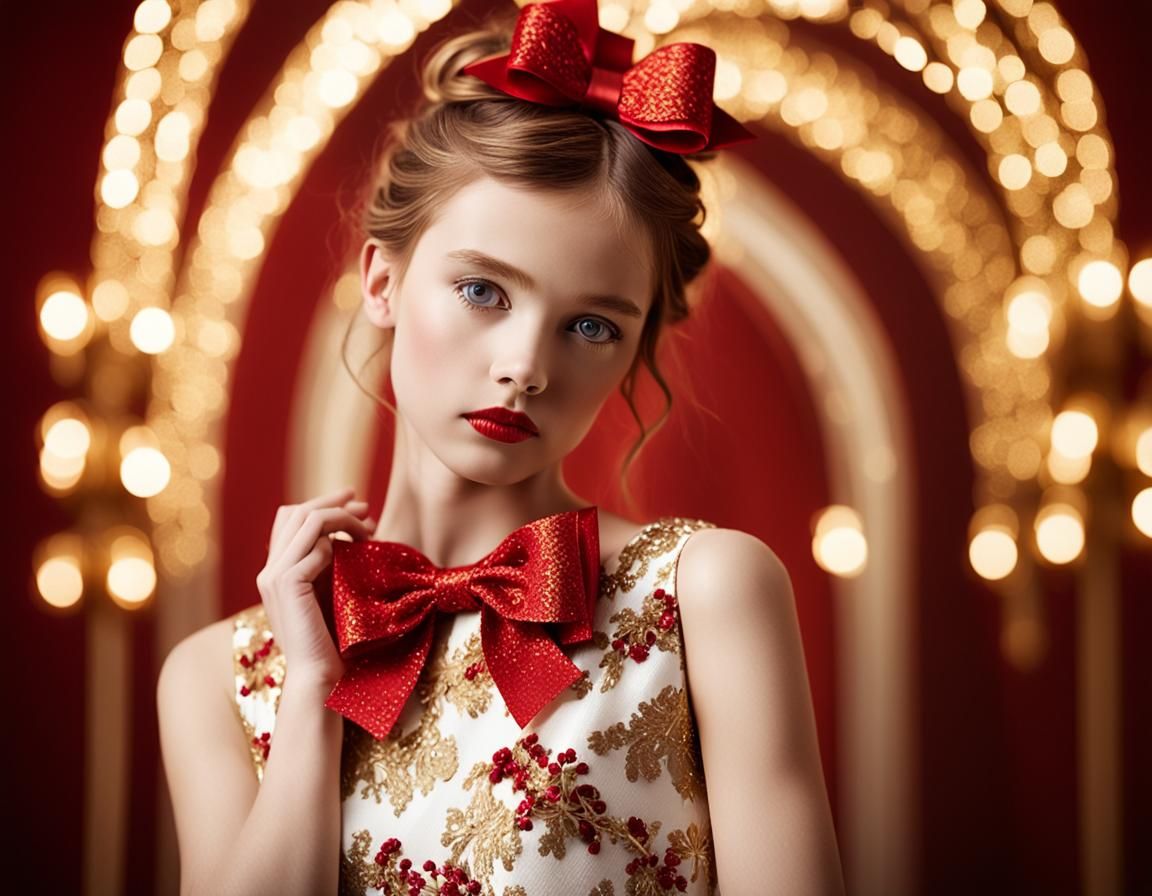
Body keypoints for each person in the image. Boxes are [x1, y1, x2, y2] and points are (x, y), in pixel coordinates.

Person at [158, 1, 845, 893]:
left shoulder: (703, 592)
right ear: (383, 281)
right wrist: (311, 697)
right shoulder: (218, 674)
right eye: (484, 291)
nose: (524, 367)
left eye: (592, 326)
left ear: (635, 349)